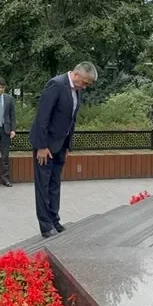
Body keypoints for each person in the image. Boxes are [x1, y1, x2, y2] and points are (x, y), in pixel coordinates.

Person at [29, 62, 97, 238]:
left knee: (54, 184)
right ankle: (45, 226)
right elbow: (42, 117)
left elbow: (70, 120)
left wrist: (67, 145)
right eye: (85, 82)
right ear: (76, 74)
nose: (86, 87)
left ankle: (54, 220)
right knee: (43, 186)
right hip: (46, 146)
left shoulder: (76, 91)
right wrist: (42, 146)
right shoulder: (56, 84)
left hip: (60, 146)